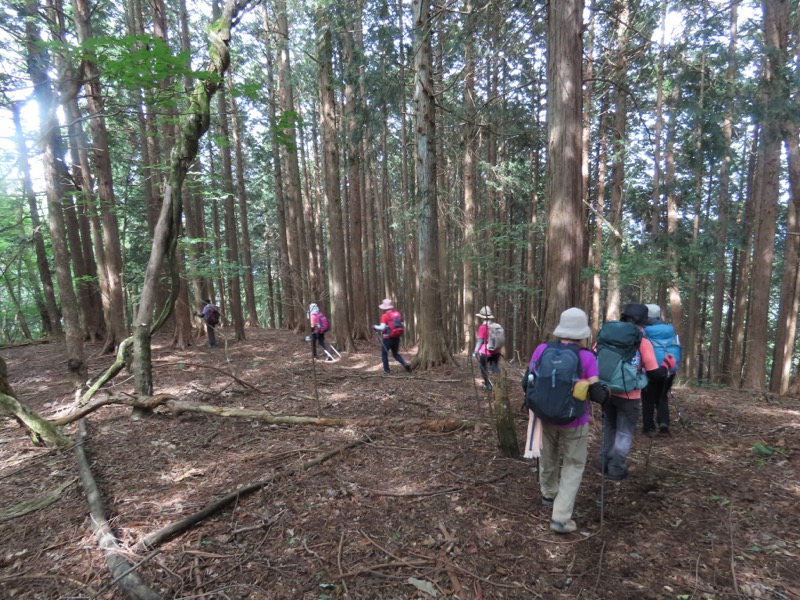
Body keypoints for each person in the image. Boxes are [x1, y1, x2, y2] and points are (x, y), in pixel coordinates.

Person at [522, 307, 603, 534]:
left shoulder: (542, 349)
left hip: (544, 416)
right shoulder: (586, 357)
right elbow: (596, 391)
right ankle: (560, 517)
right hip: (575, 421)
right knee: (573, 465)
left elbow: (527, 380)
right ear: (582, 333)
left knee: (548, 455)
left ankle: (548, 493)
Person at [599, 303, 673, 480]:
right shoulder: (642, 341)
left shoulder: (608, 335)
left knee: (610, 426)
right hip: (629, 394)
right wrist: (667, 365)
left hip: (606, 390)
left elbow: (596, 354)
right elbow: (654, 373)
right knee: (624, 431)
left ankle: (603, 461)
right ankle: (616, 468)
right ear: (643, 323)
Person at [642, 304, 680, 436]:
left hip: (651, 369)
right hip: (669, 368)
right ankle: (664, 422)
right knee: (662, 395)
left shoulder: (644, 330)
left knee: (648, 398)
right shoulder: (669, 330)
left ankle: (649, 427)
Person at [372, 298, 412, 374]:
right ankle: (405, 364)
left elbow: (382, 327)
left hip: (387, 339)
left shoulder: (385, 316)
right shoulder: (397, 314)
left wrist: (374, 326)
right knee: (395, 354)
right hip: (396, 337)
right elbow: (402, 324)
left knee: (384, 354)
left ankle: (386, 370)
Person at [473, 306, 501, 390]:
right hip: (496, 351)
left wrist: (475, 351)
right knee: (495, 367)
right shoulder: (495, 326)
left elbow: (480, 341)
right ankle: (499, 384)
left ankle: (488, 385)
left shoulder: (482, 327)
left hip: (485, 352)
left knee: (483, 368)